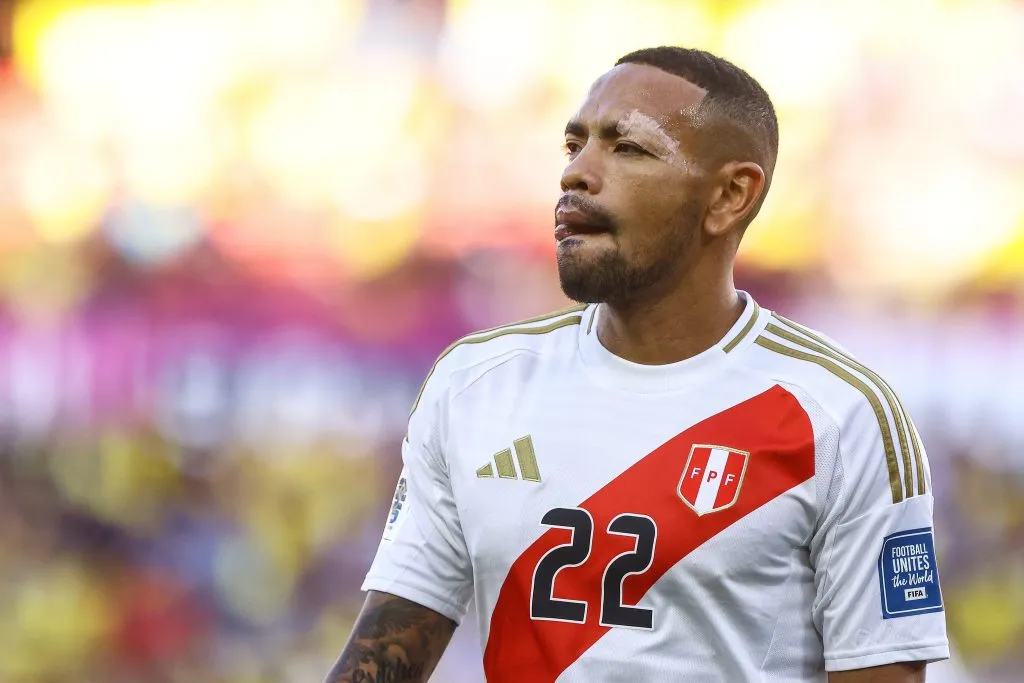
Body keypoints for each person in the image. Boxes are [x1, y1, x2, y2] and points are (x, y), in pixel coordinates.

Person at [324, 46, 949, 682]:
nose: (576, 174)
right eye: (574, 145)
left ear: (730, 195)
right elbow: (382, 661)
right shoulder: (476, 383)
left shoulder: (840, 415)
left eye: (627, 149)